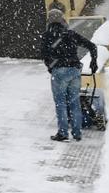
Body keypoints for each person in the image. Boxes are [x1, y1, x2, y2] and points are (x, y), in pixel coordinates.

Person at [41, 8, 97, 141]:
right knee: (74, 103)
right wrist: (94, 62)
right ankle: (77, 133)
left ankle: (63, 133)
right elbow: (92, 46)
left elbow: (44, 55)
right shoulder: (70, 34)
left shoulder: (47, 35)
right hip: (75, 70)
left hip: (59, 71)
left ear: (49, 20)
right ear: (62, 20)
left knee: (60, 103)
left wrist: (51, 67)